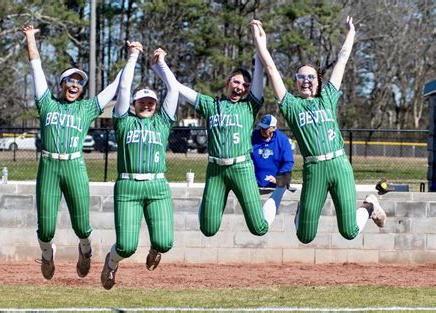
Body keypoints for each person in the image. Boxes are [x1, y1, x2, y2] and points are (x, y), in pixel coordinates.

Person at [250, 17, 386, 244]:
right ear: (295, 82)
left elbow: (342, 61)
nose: (306, 80)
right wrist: (260, 43)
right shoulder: (291, 105)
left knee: (349, 232)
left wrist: (351, 33)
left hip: (339, 165)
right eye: (301, 77)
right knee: (304, 236)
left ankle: (370, 203)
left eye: (310, 76)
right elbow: (272, 70)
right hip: (315, 169)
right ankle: (302, 210)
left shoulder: (328, 97)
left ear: (318, 80)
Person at [22, 24, 124, 280]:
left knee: (82, 226)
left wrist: (132, 57)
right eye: (71, 80)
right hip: (49, 166)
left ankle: (85, 251)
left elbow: (114, 87)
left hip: (74, 166)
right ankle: (47, 256)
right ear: (62, 84)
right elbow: (36, 67)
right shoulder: (47, 103)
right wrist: (30, 37)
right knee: (45, 230)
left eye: (80, 82)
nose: (75, 85)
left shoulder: (87, 108)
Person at [100, 42, 179, 290]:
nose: (146, 105)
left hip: (157, 185)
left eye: (150, 102)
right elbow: (123, 87)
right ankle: (111, 264)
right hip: (128, 186)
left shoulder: (162, 123)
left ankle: (156, 249)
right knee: (126, 246)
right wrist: (133, 56)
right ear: (134, 104)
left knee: (165, 242)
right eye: (142, 101)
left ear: (155, 104)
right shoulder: (124, 122)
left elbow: (174, 90)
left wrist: (161, 64)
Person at [166, 54, 272, 237]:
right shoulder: (211, 105)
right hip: (216, 169)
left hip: (241, 168)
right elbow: (178, 86)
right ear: (228, 82)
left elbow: (258, 80)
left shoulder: (248, 107)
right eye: (237, 82)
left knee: (259, 228)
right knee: (208, 229)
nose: (241, 87)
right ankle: (207, 204)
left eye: (245, 85)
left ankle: (278, 193)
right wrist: (160, 63)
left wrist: (258, 50)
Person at [251, 114, 294, 225]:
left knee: (286, 176)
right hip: (255, 181)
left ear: (274, 128)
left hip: (276, 180)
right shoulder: (252, 136)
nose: (262, 130)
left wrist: (277, 177)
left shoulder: (282, 140)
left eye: (266, 128)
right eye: (261, 127)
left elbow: (289, 162)